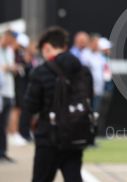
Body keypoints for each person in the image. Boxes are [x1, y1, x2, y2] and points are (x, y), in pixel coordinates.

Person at [24, 27, 86, 182]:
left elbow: (31, 106)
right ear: (65, 46)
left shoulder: (41, 72)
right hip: (75, 134)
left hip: (48, 136)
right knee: (74, 177)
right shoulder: (83, 70)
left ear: (46, 48)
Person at [0, 30, 16, 162]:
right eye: (9, 39)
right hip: (0, 92)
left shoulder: (9, 51)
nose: (10, 42)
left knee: (3, 124)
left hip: (8, 92)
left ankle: (3, 152)